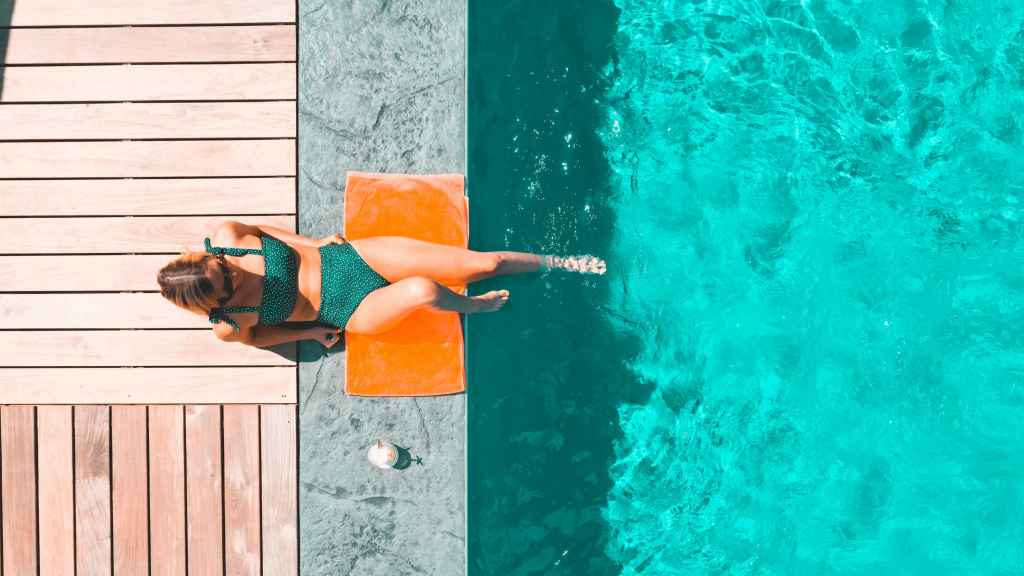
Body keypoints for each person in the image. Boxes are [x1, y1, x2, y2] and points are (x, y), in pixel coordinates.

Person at [156, 220, 606, 349]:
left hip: (348, 256)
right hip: (351, 308)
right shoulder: (229, 324)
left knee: (484, 262)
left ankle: (560, 262)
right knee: (423, 291)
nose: (234, 273)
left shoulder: (230, 239)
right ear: (214, 303)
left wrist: (312, 240)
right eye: (227, 284)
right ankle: (476, 308)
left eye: (222, 266)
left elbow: (265, 231)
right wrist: (310, 332)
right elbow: (260, 338)